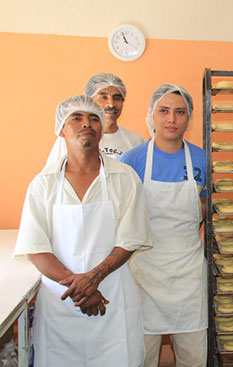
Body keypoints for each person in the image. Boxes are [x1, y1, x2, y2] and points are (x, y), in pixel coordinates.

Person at [14, 95, 152, 366]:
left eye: (93, 118)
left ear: (102, 129)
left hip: (113, 299)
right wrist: (83, 287)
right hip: (61, 303)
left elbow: (130, 239)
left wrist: (94, 278)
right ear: (61, 129)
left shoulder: (124, 178)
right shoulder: (44, 184)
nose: (86, 123)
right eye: (76, 118)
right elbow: (36, 248)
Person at [119, 84, 207, 367]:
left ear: (188, 119)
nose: (172, 119)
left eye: (180, 112)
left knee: (193, 356)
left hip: (188, 270)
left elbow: (207, 207)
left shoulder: (203, 160)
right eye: (164, 111)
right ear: (152, 116)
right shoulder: (131, 161)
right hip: (144, 270)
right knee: (142, 355)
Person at [46, 72, 144, 165]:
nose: (111, 104)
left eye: (117, 98)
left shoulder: (134, 140)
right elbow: (53, 176)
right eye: (104, 97)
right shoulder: (71, 138)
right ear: (90, 101)